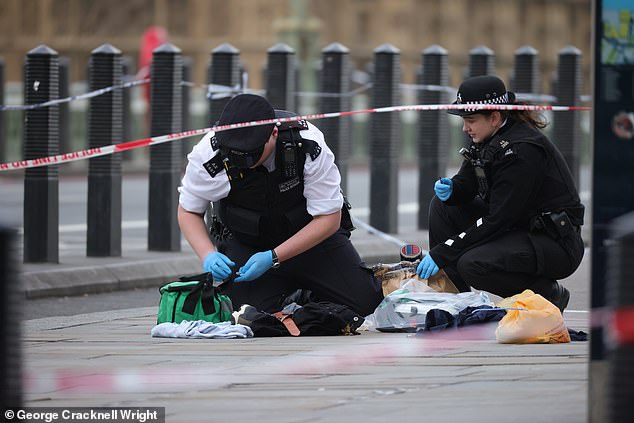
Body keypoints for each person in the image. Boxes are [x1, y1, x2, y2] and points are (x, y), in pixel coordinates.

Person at [177, 94, 383, 316]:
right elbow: (189, 210)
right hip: (250, 245)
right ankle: (289, 296)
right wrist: (207, 254)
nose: (244, 164)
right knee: (244, 314)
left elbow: (329, 219)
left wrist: (273, 257)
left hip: (312, 240)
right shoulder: (209, 154)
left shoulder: (307, 144)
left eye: (252, 155)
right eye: (235, 156)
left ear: (273, 134)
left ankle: (307, 294)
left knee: (365, 303)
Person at [416, 75, 584, 311]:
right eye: (464, 120)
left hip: (554, 242)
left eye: (471, 120)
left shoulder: (522, 151)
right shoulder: (488, 137)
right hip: (517, 227)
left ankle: (548, 294)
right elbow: (469, 181)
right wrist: (454, 189)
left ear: (494, 117)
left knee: (472, 264)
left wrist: (443, 252)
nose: (465, 128)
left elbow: (500, 218)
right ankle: (456, 300)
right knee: (442, 207)